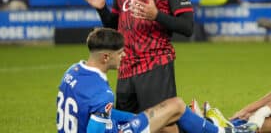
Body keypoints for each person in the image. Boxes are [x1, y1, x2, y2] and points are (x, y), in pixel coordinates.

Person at [82, 0, 194, 131]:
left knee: (164, 127)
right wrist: (101, 8)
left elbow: (187, 27)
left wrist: (156, 15)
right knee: (128, 126)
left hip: (155, 64)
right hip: (125, 67)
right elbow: (115, 26)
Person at [57, 27, 254, 133]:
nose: (124, 56)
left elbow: (95, 112)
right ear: (106, 57)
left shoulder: (72, 72)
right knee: (175, 105)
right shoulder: (103, 93)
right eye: (120, 53)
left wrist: (136, 119)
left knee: (165, 122)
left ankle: (217, 128)